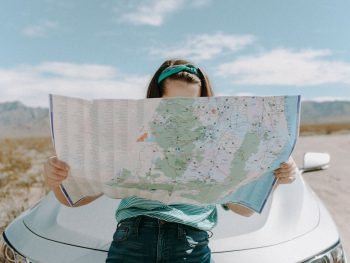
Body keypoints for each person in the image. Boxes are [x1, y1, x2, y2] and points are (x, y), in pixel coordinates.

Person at [43, 58, 298, 263]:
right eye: (173, 104)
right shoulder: (130, 136)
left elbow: (243, 209)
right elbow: (74, 199)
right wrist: (56, 179)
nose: (181, 112)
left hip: (190, 245)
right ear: (155, 101)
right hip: (132, 239)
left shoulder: (220, 142)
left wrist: (274, 178)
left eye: (191, 104)